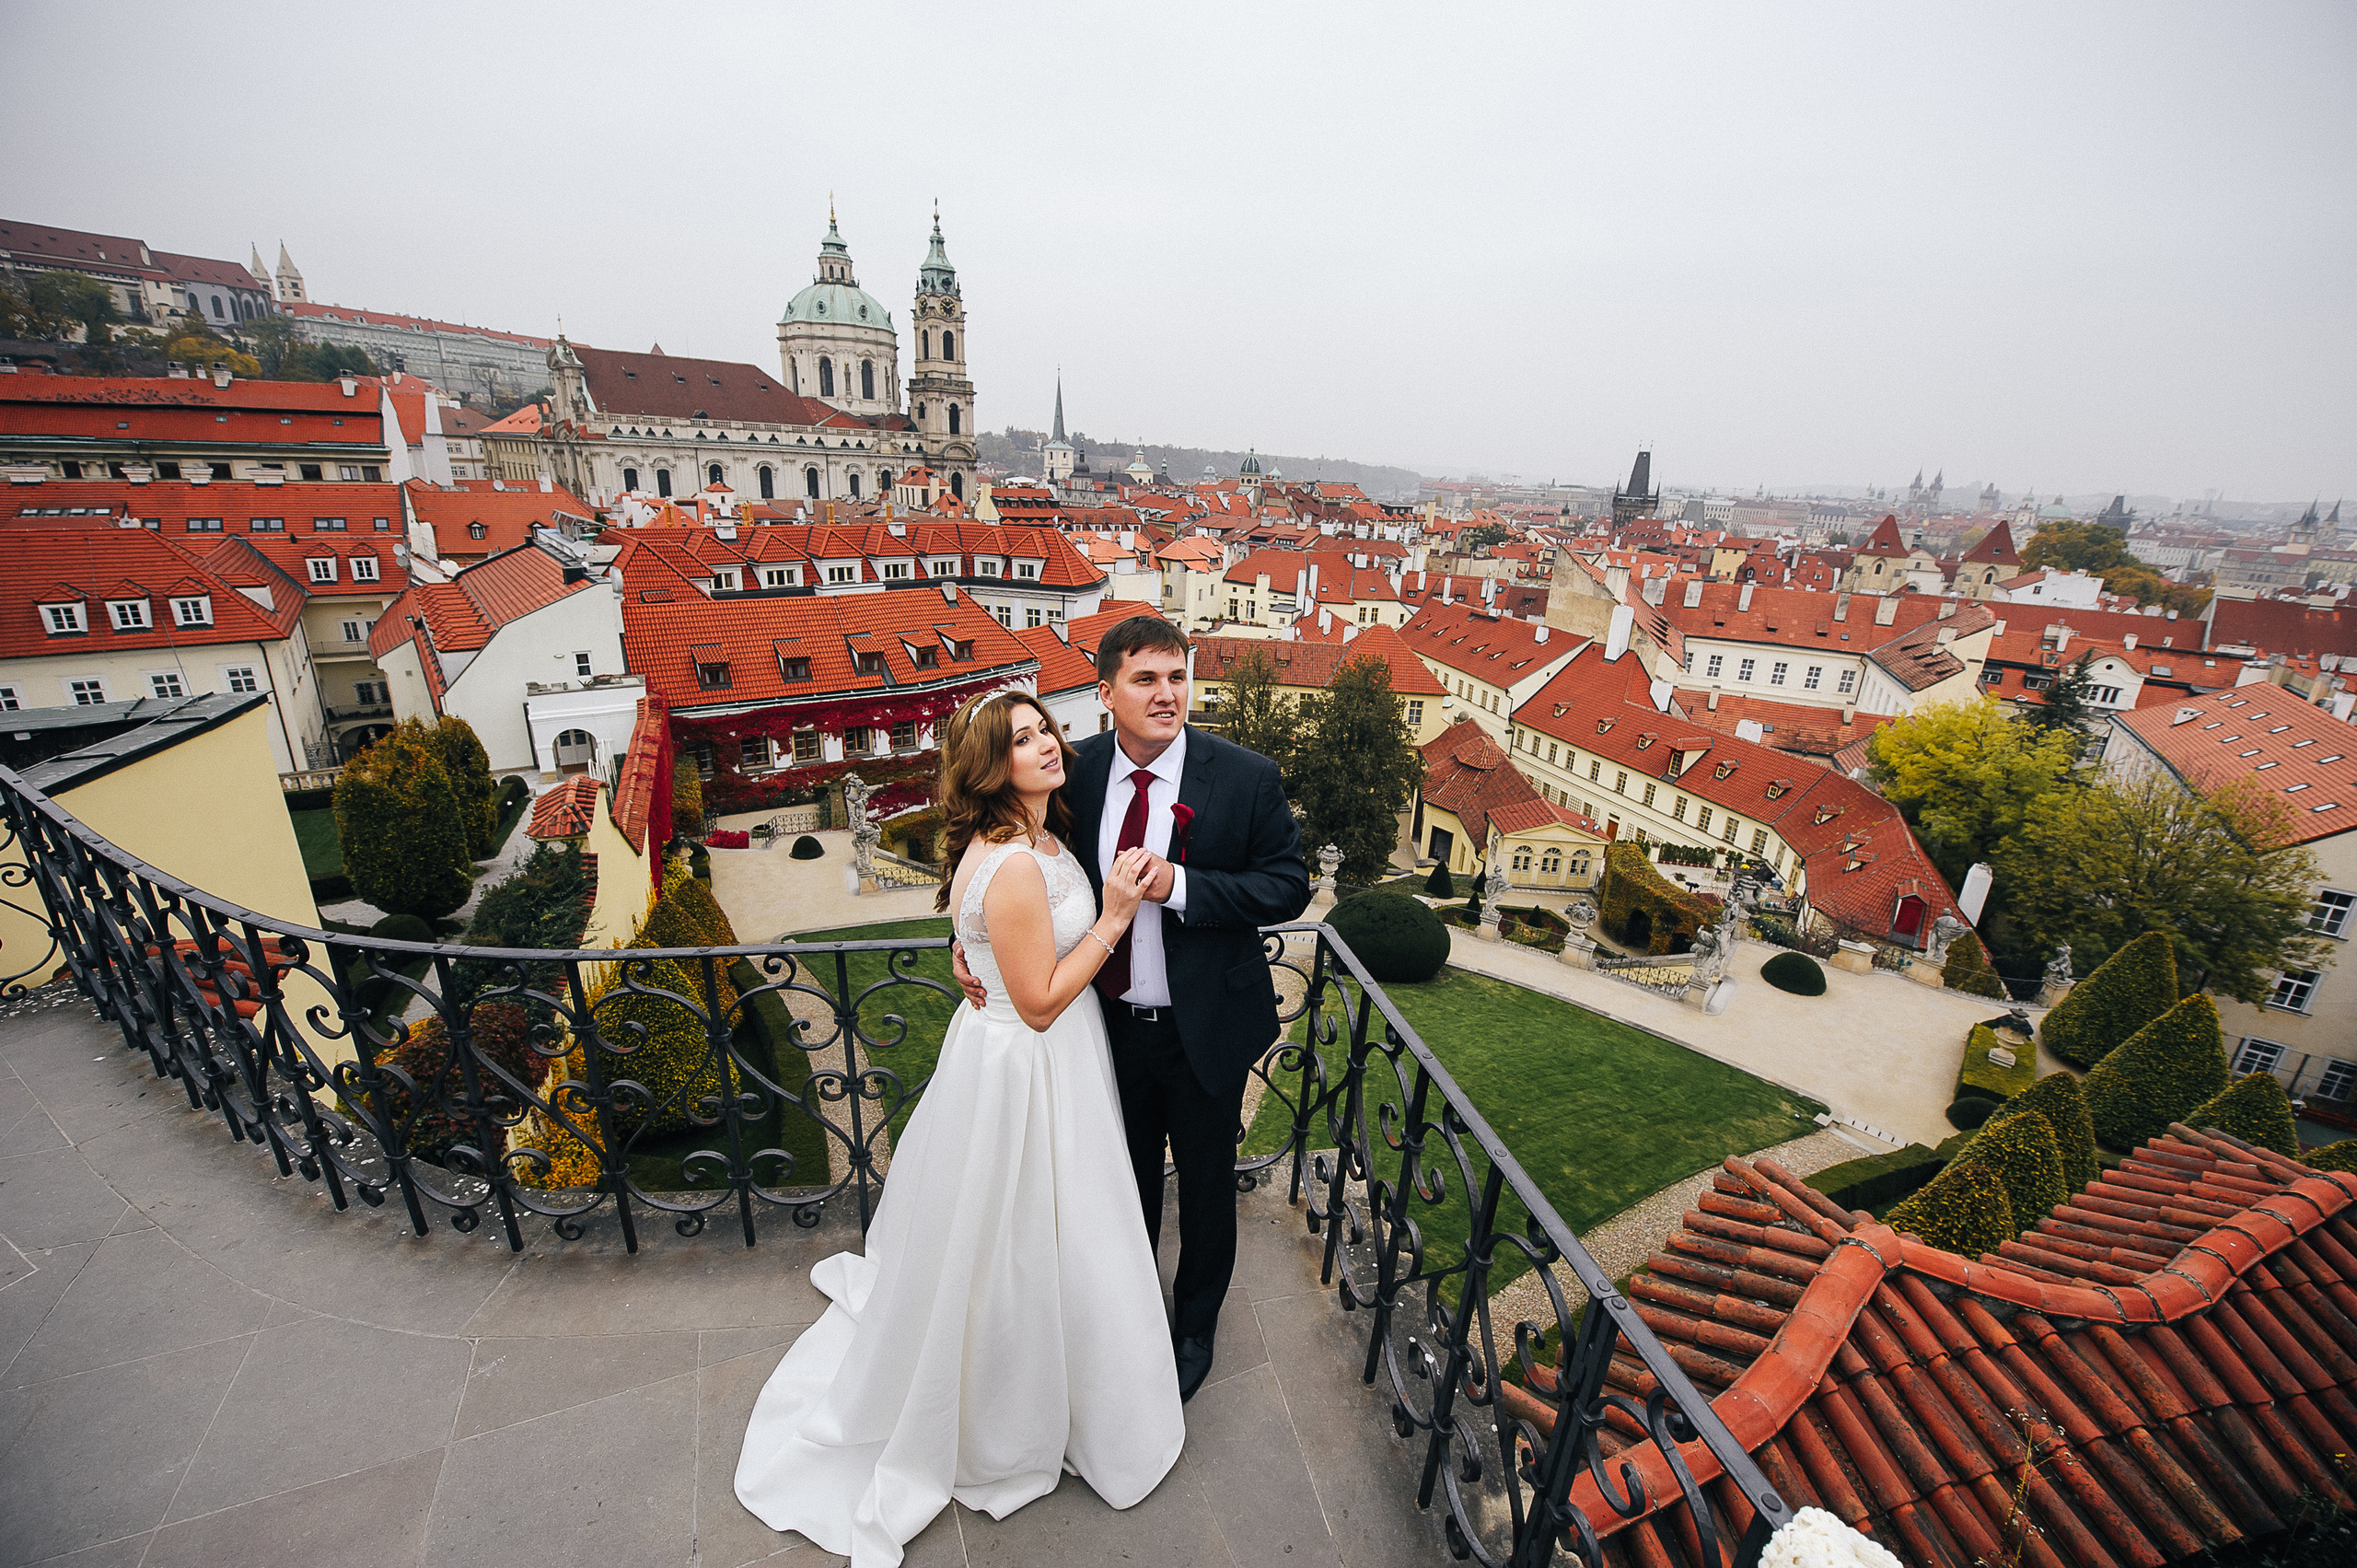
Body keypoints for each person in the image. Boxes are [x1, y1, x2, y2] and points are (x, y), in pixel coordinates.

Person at [735, 690, 1183, 1566]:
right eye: (1023, 739)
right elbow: (1045, 1001)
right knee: (1027, 1232)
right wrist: (1116, 916)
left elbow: (995, 940)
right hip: (1029, 1065)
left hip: (1024, 1056)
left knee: (1039, 1230)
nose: (1049, 744)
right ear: (991, 766)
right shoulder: (1016, 862)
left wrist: (969, 944)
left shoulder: (1035, 834)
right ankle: (1011, 1409)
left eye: (1046, 728)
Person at [957, 615, 1310, 1401]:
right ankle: (1125, 1315)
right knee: (1122, 1182)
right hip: (1104, 1029)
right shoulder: (1072, 776)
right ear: (1105, 691)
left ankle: (1193, 1327)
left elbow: (1289, 885)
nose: (1167, 694)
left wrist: (1180, 887)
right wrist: (969, 940)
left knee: (1211, 1188)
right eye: (1146, 679)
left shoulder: (1244, 775)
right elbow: (1002, 851)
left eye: (1178, 676)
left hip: (1205, 1029)